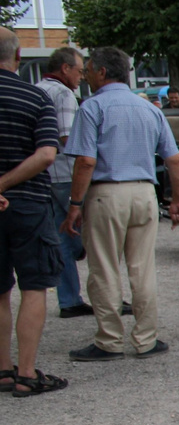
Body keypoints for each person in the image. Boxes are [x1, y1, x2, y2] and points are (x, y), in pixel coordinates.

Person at [60, 46, 179, 362]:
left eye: (89, 69)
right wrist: (178, 200)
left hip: (106, 193)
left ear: (102, 72)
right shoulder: (149, 109)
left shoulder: (92, 107)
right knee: (143, 269)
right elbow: (173, 159)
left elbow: (86, 162)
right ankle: (146, 338)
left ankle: (109, 340)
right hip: (144, 192)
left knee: (103, 268)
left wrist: (75, 204)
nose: (86, 75)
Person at [0, 27, 66, 396]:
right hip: (28, 201)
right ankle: (26, 372)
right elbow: (45, 155)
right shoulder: (36, 98)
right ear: (18, 57)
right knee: (34, 285)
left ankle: (2, 370)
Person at [37, 48, 89, 319]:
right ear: (65, 68)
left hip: (43, 174)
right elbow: (69, 138)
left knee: (59, 237)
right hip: (67, 174)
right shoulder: (64, 94)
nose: (81, 77)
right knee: (78, 234)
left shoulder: (36, 89)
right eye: (79, 71)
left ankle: (68, 297)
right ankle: (78, 298)